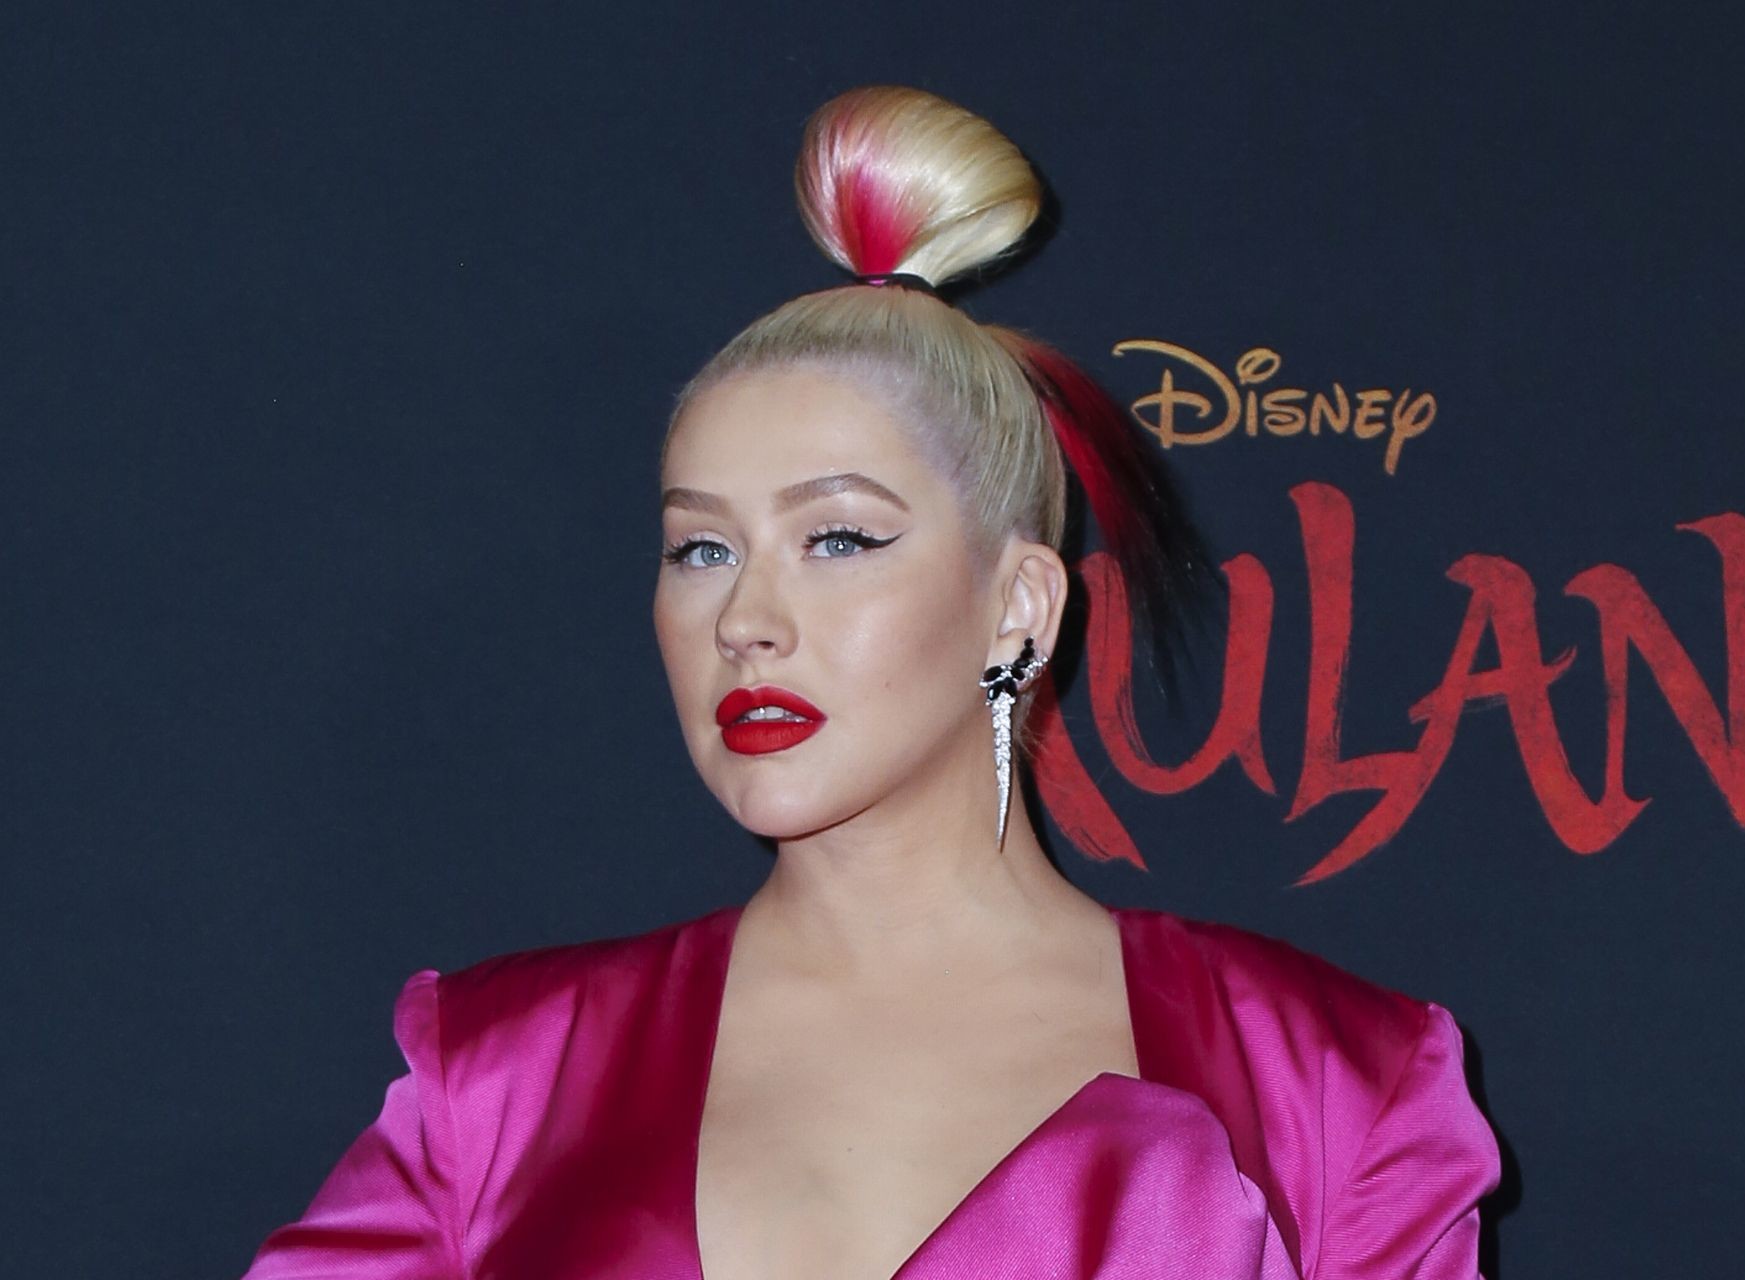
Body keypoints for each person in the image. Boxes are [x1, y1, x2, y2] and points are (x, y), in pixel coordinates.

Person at [237, 85, 1500, 1280]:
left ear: (1018, 604)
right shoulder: (501, 1076)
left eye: (838, 538)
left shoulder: (1332, 1081)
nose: (746, 619)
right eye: (700, 549)